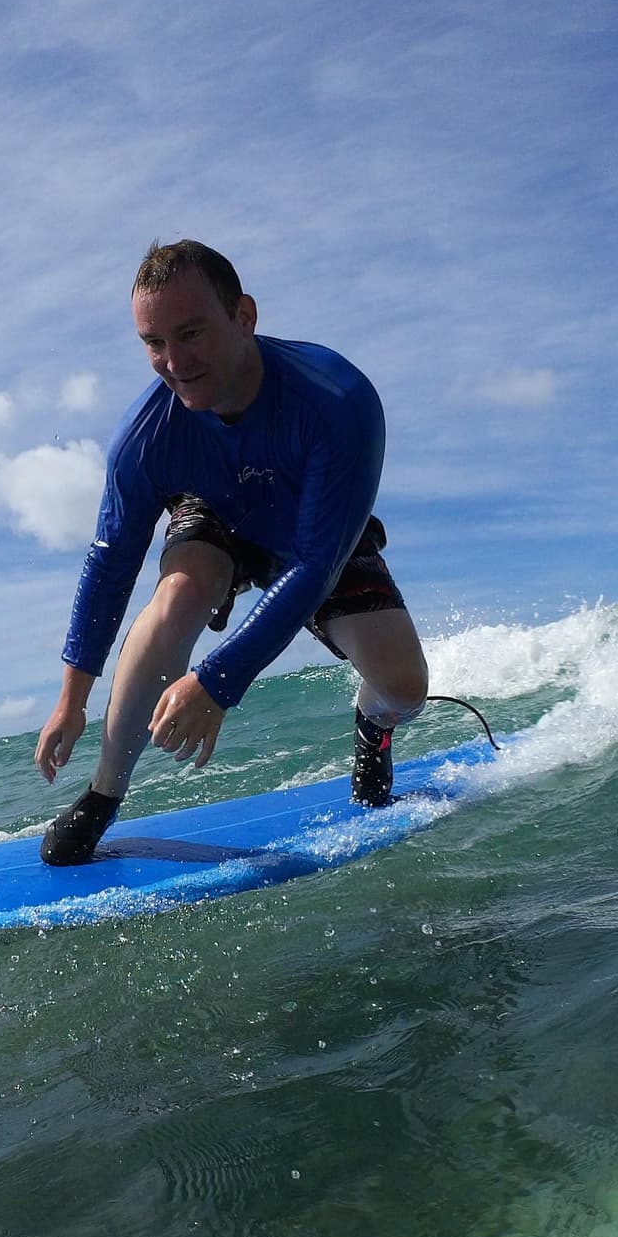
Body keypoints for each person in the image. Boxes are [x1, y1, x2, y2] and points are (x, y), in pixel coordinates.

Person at [34, 239, 430, 867]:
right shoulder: (146, 439)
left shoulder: (337, 401)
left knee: (406, 688)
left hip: (315, 530)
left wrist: (218, 682)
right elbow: (110, 564)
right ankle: (103, 794)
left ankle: (373, 726)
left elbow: (314, 564)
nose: (174, 362)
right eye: (154, 343)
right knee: (180, 591)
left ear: (244, 316)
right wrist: (71, 698)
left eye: (190, 333)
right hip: (216, 514)